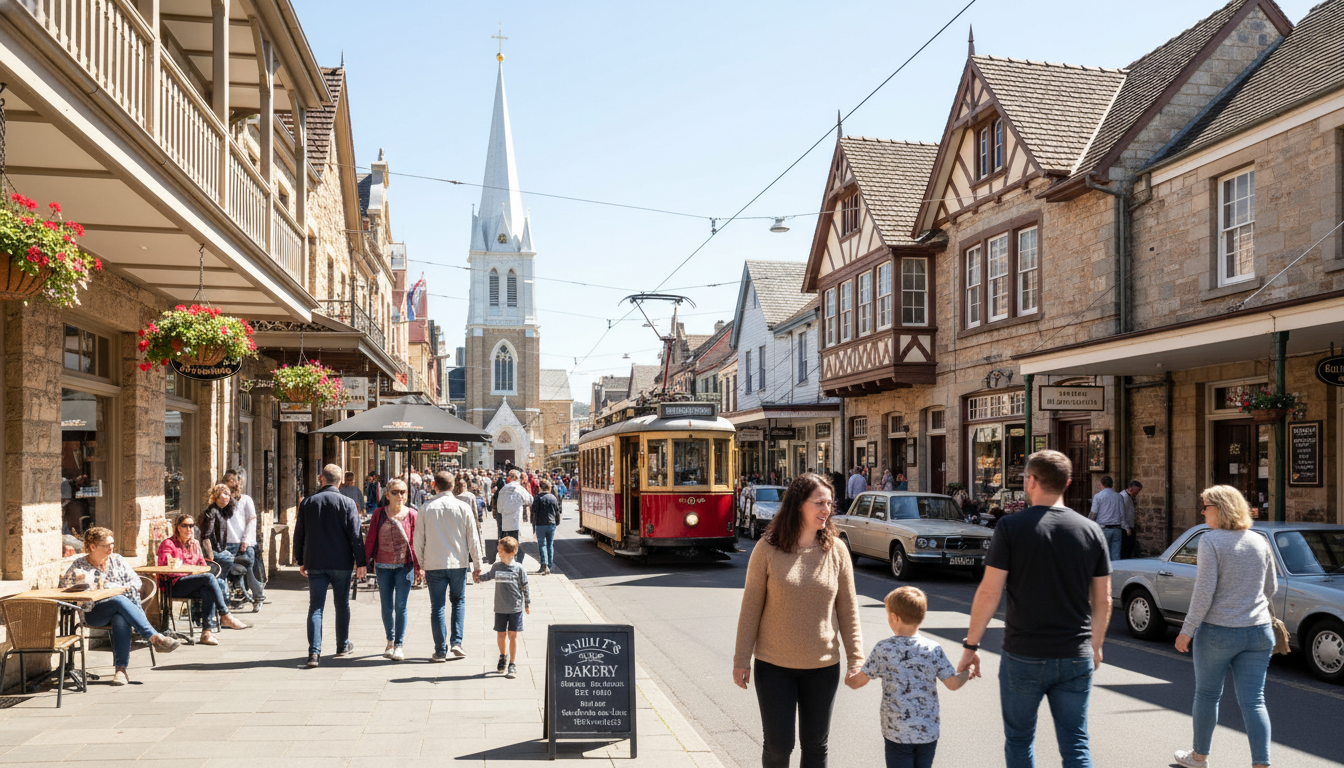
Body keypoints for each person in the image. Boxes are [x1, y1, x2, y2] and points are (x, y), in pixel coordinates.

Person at [958, 450, 1111, 768]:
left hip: (1024, 653)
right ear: (1067, 483)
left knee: (1019, 740)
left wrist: (971, 645)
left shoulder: (1011, 528)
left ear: (1030, 481)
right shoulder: (1091, 531)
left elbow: (989, 592)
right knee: (1076, 744)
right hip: (1075, 653)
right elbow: (1103, 600)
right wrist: (1094, 645)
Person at [733, 472, 863, 768]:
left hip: (823, 666)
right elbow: (751, 606)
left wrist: (856, 658)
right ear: (798, 504)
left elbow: (848, 608)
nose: (826, 510)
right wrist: (741, 659)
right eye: (819, 503)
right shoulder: (767, 549)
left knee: (816, 746)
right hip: (774, 665)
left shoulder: (837, 551)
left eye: (829, 504)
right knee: (779, 747)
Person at [1172, 485, 1277, 768]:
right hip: (1259, 631)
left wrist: (1187, 629)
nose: (1202, 511)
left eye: (1205, 506)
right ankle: (1261, 764)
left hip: (1219, 630)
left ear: (1220, 508)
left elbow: (1204, 591)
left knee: (1207, 695)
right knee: (1254, 701)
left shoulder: (1211, 541)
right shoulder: (1259, 540)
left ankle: (1199, 757)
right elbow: (1271, 588)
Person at [850, 587, 970, 768]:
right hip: (927, 733)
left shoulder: (884, 649)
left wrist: (850, 675)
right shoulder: (933, 648)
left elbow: (858, 681)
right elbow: (953, 684)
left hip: (897, 732)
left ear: (894, 618)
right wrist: (967, 673)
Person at [61, 527, 180, 685]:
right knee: (118, 600)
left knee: (120, 617)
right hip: (95, 613)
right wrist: (112, 588)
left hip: (121, 611)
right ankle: (154, 636)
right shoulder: (80, 565)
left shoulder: (117, 560)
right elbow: (65, 586)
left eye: (112, 544)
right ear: (92, 547)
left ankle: (120, 671)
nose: (111, 548)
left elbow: (136, 582)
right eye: (106, 545)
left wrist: (110, 587)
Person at [293, 464, 367, 668]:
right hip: (341, 561)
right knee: (342, 604)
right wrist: (361, 562)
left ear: (321, 478)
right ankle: (342, 645)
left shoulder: (308, 502)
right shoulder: (348, 503)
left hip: (315, 560)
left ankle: (314, 652)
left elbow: (299, 533)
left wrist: (300, 559)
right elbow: (355, 535)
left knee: (316, 606)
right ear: (341, 480)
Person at [414, 471, 484, 662]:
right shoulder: (463, 507)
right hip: (458, 563)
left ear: (434, 485)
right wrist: (477, 564)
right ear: (453, 486)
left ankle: (439, 650)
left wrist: (421, 564)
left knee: (437, 606)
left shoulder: (426, 508)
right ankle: (457, 642)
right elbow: (473, 538)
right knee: (458, 601)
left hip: (434, 562)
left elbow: (418, 540)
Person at [157, 512, 249, 644]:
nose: (189, 529)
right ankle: (225, 614)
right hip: (173, 584)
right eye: (185, 525)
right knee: (209, 578)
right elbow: (165, 564)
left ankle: (206, 632)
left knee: (208, 588)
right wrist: (184, 567)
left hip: (192, 582)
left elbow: (203, 565)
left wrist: (194, 573)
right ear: (178, 527)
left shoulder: (194, 544)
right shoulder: (169, 544)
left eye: (191, 526)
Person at [365, 478, 418, 662]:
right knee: (387, 607)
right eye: (395, 492)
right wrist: (363, 564)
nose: (399, 496)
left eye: (403, 492)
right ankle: (389, 641)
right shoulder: (379, 514)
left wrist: (420, 568)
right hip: (383, 567)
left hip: (405, 567)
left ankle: (399, 645)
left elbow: (417, 543)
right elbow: (371, 539)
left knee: (400, 606)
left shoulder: (412, 514)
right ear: (387, 494)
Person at [481, 535, 530, 680]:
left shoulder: (519, 568)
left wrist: (527, 603)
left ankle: (512, 664)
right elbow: (489, 575)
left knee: (513, 635)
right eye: (498, 551)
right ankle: (503, 656)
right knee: (501, 634)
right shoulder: (497, 566)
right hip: (500, 608)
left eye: (501, 551)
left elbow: (525, 586)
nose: (498, 554)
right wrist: (477, 577)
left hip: (515, 608)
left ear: (511, 552)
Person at [221, 473, 265, 611]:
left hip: (241, 542)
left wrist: (246, 540)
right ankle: (240, 597)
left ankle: (258, 597)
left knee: (249, 570)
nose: (230, 484)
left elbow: (252, 520)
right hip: (226, 543)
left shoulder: (245, 500)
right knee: (233, 573)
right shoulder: (221, 502)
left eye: (233, 481)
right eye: (227, 481)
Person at [497, 470, 534, 568]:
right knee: (518, 546)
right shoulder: (520, 489)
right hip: (516, 522)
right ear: (518, 478)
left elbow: (499, 509)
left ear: (509, 478)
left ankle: (508, 564)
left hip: (505, 524)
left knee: (507, 545)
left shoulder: (503, 490)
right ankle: (518, 565)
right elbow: (530, 500)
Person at [1088, 475, 1128, 562]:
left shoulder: (1098, 496)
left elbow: (1093, 514)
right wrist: (1126, 527)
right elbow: (1122, 514)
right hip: (1117, 529)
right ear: (1112, 485)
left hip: (1104, 528)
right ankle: (1116, 574)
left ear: (1101, 484)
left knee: (1102, 555)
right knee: (1116, 556)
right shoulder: (1118, 496)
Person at [532, 479, 562, 575]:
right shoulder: (553, 498)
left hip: (540, 524)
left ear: (541, 487)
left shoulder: (537, 498)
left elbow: (534, 511)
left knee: (542, 544)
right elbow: (557, 511)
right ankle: (550, 565)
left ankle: (543, 565)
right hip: (551, 523)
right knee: (550, 545)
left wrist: (533, 524)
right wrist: (557, 522)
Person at [1121, 480, 1142, 559]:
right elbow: (1121, 514)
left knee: (1130, 548)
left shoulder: (1130, 497)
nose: (1136, 494)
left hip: (1129, 526)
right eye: (1136, 492)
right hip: (1125, 528)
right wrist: (1126, 527)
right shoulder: (1124, 498)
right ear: (1130, 489)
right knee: (1126, 549)